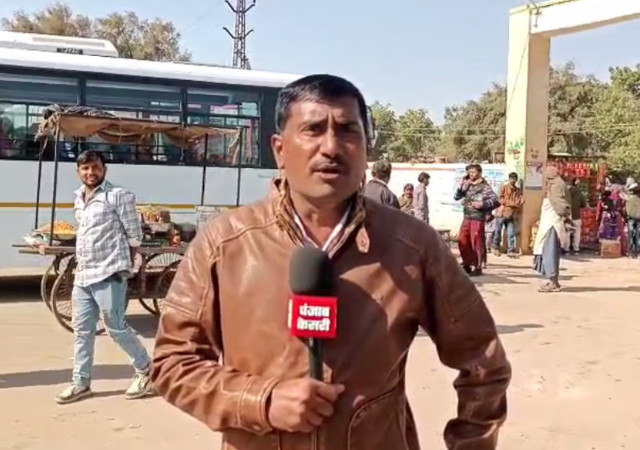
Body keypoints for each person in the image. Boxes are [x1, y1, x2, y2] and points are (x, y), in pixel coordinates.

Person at [151, 74, 511, 450]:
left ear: (366, 149)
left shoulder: (413, 246)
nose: (331, 147)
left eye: (347, 131)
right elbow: (173, 363)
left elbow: (484, 364)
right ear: (279, 149)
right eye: (313, 129)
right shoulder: (224, 243)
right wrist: (262, 401)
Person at [55, 150, 153, 404]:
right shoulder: (79, 198)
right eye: (85, 168)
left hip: (110, 272)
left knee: (116, 328)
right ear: (79, 171)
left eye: (95, 167)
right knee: (82, 331)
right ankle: (81, 383)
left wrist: (131, 263)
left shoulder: (117, 195)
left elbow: (134, 235)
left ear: (104, 169)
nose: (90, 172)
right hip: (83, 274)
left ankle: (145, 370)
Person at [454, 164, 500, 276]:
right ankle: (467, 264)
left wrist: (482, 204)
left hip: (477, 218)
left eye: (473, 172)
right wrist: (461, 186)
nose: (471, 174)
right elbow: (456, 197)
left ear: (479, 173)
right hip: (466, 217)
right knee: (463, 241)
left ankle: (478, 266)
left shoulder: (484, 186)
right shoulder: (468, 185)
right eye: (470, 172)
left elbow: (496, 201)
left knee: (476, 243)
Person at [532, 166, 571, 293]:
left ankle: (552, 281)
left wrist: (565, 218)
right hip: (549, 223)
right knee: (547, 251)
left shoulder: (556, 186)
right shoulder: (555, 185)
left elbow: (561, 205)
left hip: (552, 224)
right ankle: (553, 280)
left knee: (550, 252)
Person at [492, 172, 524, 258]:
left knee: (511, 234)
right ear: (509, 179)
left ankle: (510, 251)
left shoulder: (518, 190)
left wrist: (519, 202)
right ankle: (496, 248)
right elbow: (500, 199)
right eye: (511, 178)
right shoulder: (504, 188)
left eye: (514, 179)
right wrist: (513, 203)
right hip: (502, 213)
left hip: (511, 214)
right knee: (498, 232)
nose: (513, 180)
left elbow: (521, 200)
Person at [566, 177, 587, 255]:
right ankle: (576, 249)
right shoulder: (579, 192)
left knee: (567, 233)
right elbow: (583, 204)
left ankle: (566, 249)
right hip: (576, 216)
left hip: (567, 215)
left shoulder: (566, 192)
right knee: (577, 233)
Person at [626, 183, 640, 258]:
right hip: (638, 219)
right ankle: (637, 252)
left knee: (631, 235)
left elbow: (626, 210)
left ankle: (631, 252)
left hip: (630, 219)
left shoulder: (628, 199)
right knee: (638, 236)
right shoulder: (638, 199)